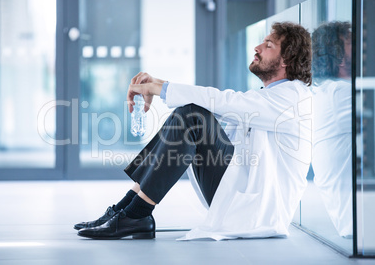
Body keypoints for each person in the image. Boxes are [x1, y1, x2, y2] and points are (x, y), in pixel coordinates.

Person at [75, 21, 313, 240]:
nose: (257, 47)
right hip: (241, 193)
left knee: (192, 116)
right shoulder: (270, 96)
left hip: (259, 210)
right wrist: (155, 83)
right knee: (189, 113)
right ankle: (127, 209)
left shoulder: (292, 98)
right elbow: (218, 109)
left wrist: (159, 87)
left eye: (268, 45)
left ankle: (137, 213)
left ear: (286, 60)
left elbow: (226, 101)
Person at [311, 21, 352, 237]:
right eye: (350, 41)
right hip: (361, 225)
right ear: (337, 54)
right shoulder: (340, 94)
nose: (363, 45)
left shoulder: (328, 91)